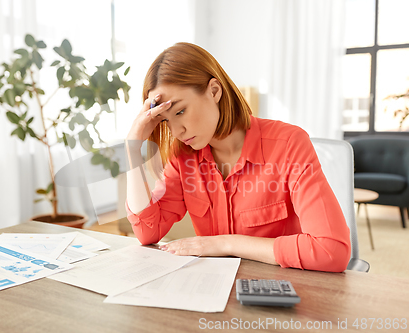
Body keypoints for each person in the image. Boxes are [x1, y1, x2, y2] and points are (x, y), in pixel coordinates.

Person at [124, 42, 351, 273]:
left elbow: (331, 251)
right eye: (165, 120)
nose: (176, 132)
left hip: (278, 291)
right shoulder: (182, 157)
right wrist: (132, 149)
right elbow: (147, 232)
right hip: (213, 289)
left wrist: (225, 243)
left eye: (180, 111)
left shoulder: (289, 144)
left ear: (214, 91)